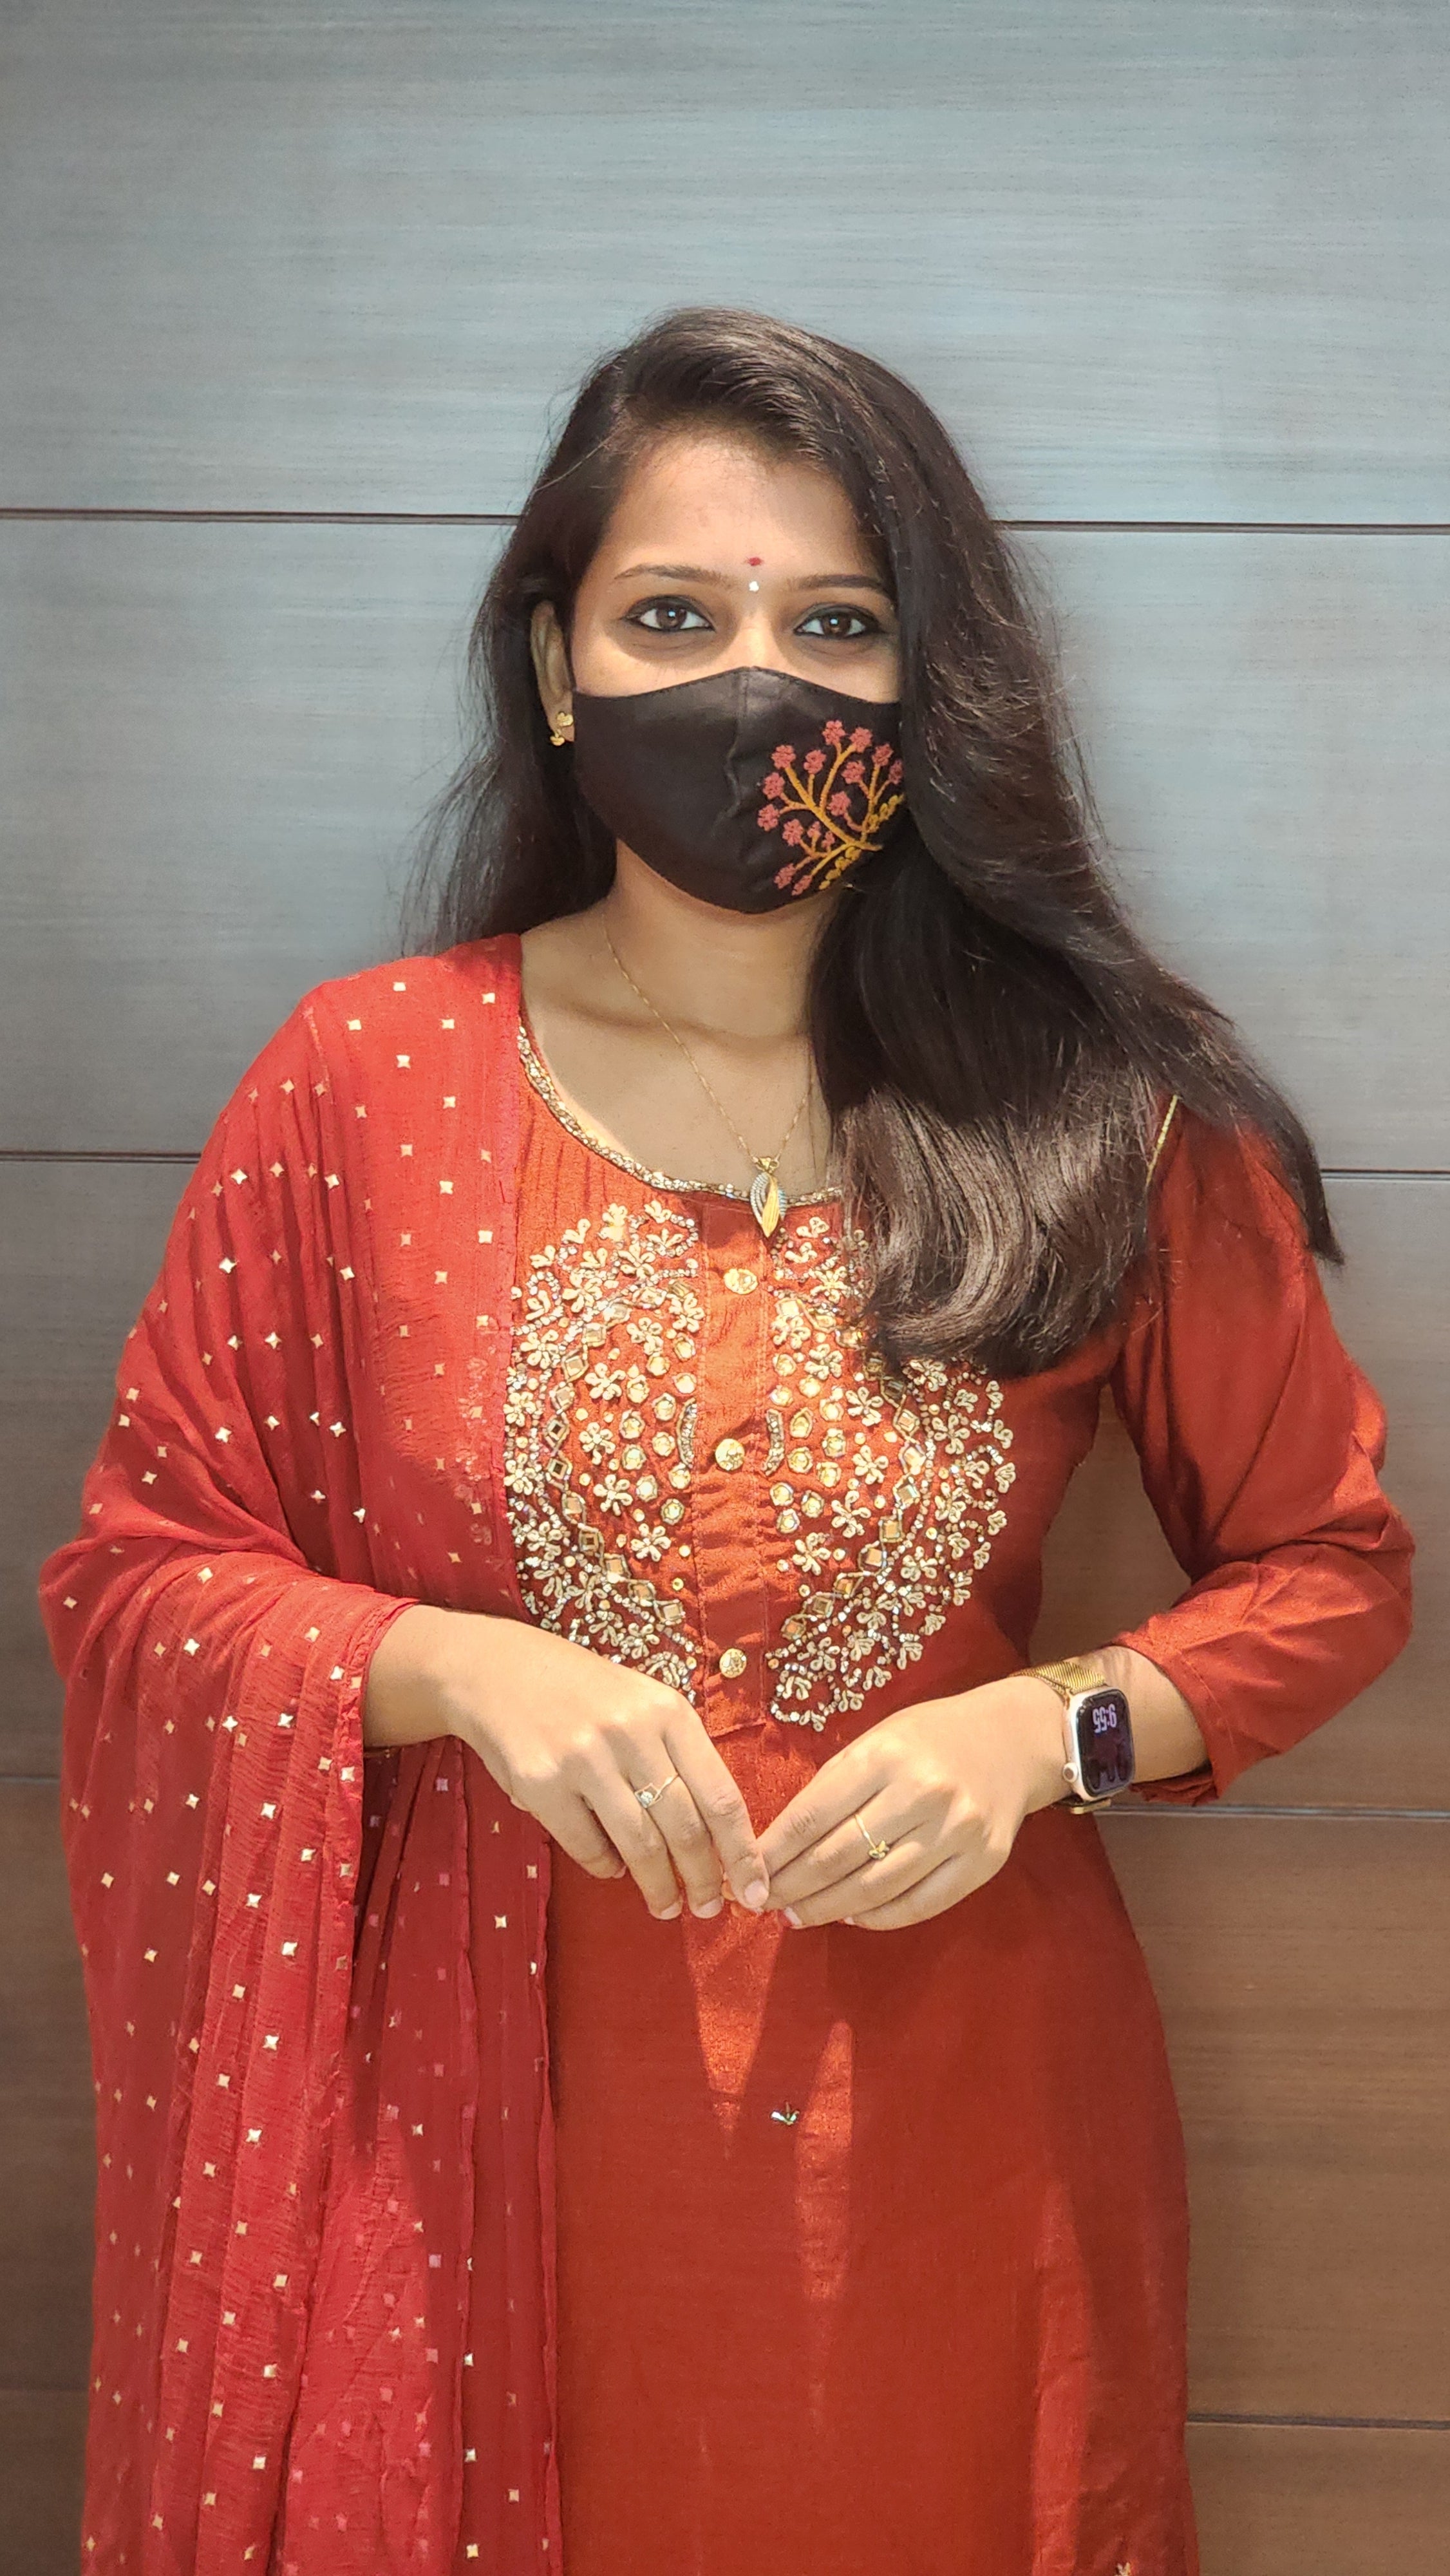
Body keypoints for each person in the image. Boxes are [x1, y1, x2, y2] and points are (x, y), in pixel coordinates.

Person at [41, 307, 1413, 2576]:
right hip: (477, 2153)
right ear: (557, 665)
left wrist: (1045, 1731)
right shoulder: (365, 1081)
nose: (754, 686)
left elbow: (1326, 1568)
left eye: (834, 625)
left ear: (927, 679)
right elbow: (141, 1579)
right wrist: (454, 1668)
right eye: (673, 618)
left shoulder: (1085, 1109)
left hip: (955, 2144)